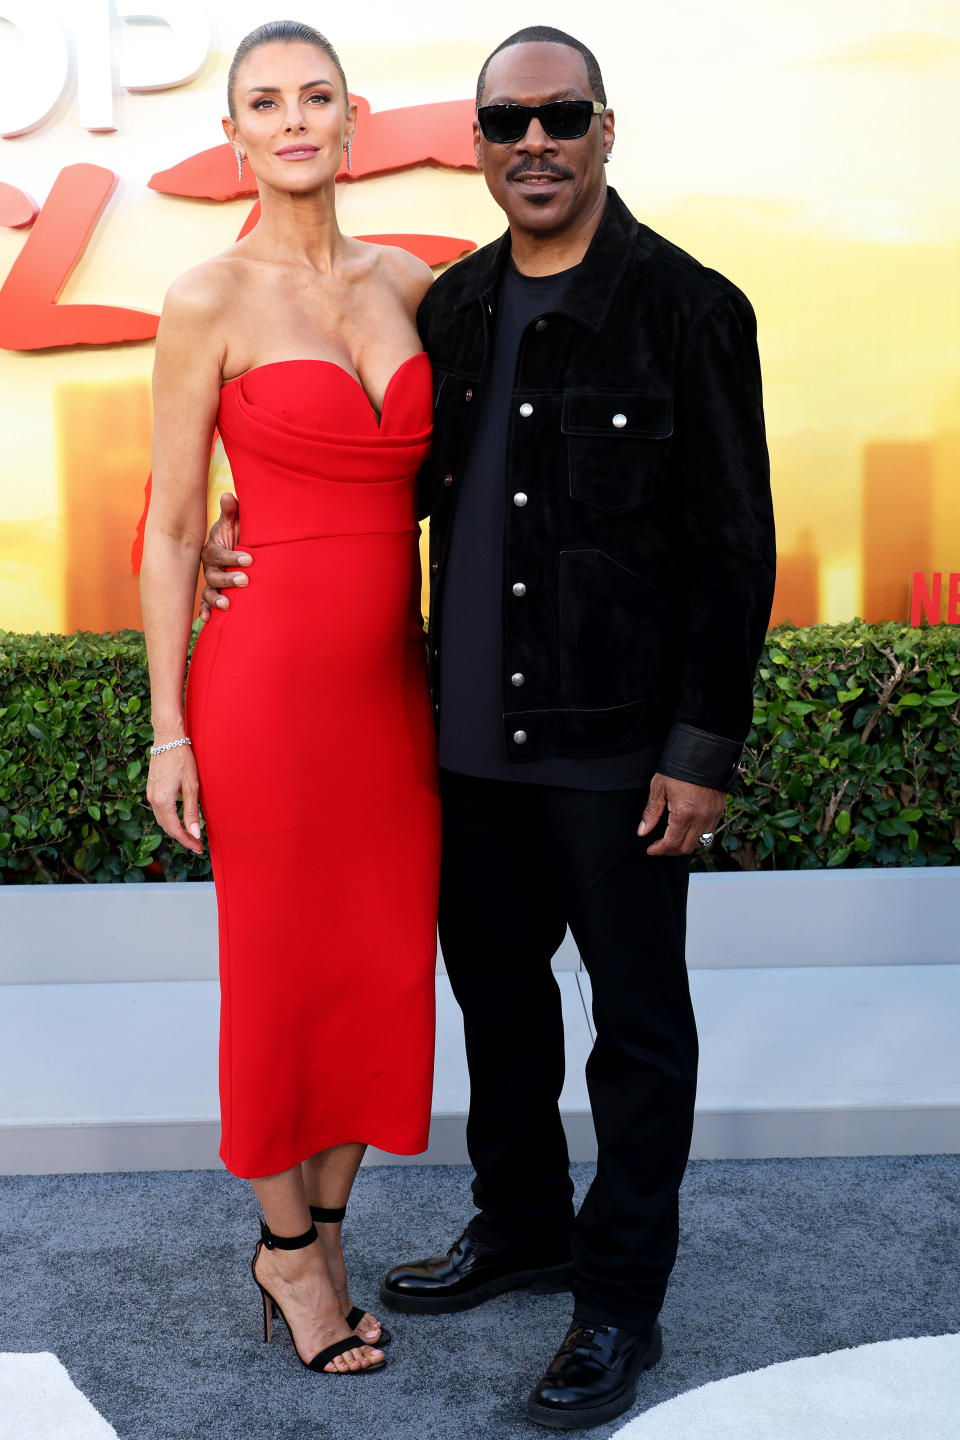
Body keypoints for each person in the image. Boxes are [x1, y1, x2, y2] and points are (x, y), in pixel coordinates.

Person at [200, 23, 776, 1428]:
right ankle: (521, 1224)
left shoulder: (690, 308)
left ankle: (619, 1297)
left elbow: (736, 546)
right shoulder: (446, 310)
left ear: (603, 130)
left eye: (560, 119)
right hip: (462, 739)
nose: (535, 144)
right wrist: (236, 531)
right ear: (474, 143)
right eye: (508, 124)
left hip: (619, 748)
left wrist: (701, 749)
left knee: (635, 1030)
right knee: (498, 1004)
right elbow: (365, 475)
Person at [140, 20, 440, 1379]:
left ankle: (322, 1231)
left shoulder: (418, 284)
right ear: (236, 135)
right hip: (259, 689)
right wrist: (168, 727)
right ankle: (286, 1256)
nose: (296, 118)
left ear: (352, 116)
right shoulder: (208, 295)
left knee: (376, 968)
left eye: (316, 95)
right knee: (276, 977)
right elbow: (170, 525)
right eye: (266, 102)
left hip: (394, 693)